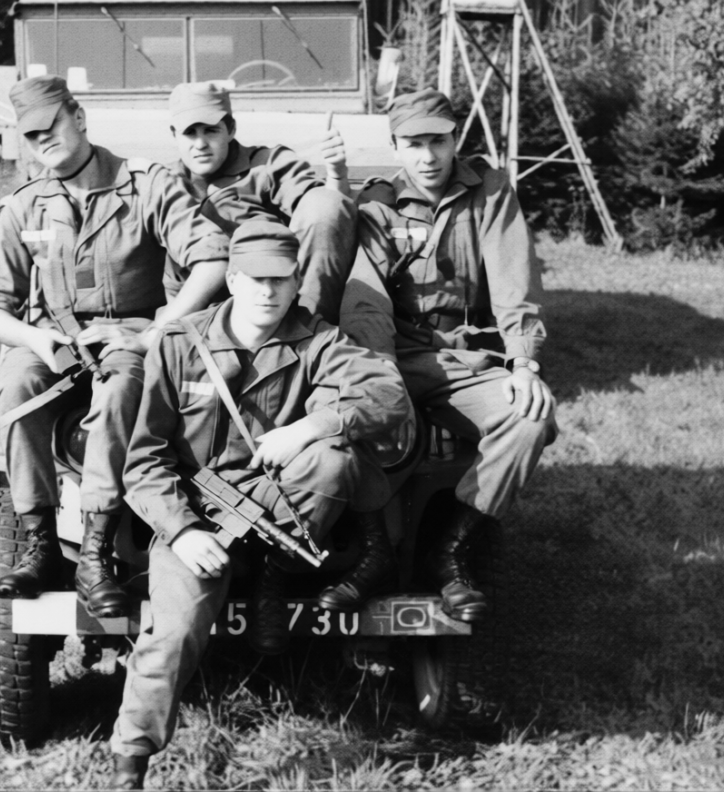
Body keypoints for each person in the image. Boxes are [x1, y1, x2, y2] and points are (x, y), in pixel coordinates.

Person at [107, 219, 415, 789]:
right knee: (171, 634)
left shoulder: (319, 340)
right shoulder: (181, 344)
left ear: (297, 281)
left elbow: (389, 395)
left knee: (332, 458)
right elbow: (144, 463)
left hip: (279, 508)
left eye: (281, 279)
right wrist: (182, 532)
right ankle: (131, 763)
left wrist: (311, 427)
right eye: (255, 279)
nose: (269, 292)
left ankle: (272, 570)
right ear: (231, 279)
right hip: (202, 516)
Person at [0, 75, 230, 619]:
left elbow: (212, 259)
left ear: (79, 118)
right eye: (31, 135)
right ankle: (41, 544)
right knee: (15, 387)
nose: (43, 141)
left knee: (120, 388)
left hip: (129, 336)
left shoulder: (145, 185)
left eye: (51, 127)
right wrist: (35, 338)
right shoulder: (25, 206)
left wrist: (155, 331)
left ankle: (94, 553)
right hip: (53, 342)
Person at [337, 87, 559, 623]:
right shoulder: (379, 202)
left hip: (471, 359)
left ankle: (453, 549)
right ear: (396, 146)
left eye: (438, 141)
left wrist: (523, 362)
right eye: (414, 144)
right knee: (353, 415)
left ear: (456, 139)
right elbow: (366, 298)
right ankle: (375, 554)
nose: (428, 157)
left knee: (530, 420)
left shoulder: (489, 191)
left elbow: (514, 280)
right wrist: (378, 372)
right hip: (402, 354)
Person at [166, 80, 357, 323]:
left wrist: (336, 174)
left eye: (211, 130)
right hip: (197, 311)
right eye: (190, 133)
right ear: (174, 135)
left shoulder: (267, 164)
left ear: (231, 129)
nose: (200, 144)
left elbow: (325, 212)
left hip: (277, 298)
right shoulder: (165, 183)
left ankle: (307, 327)